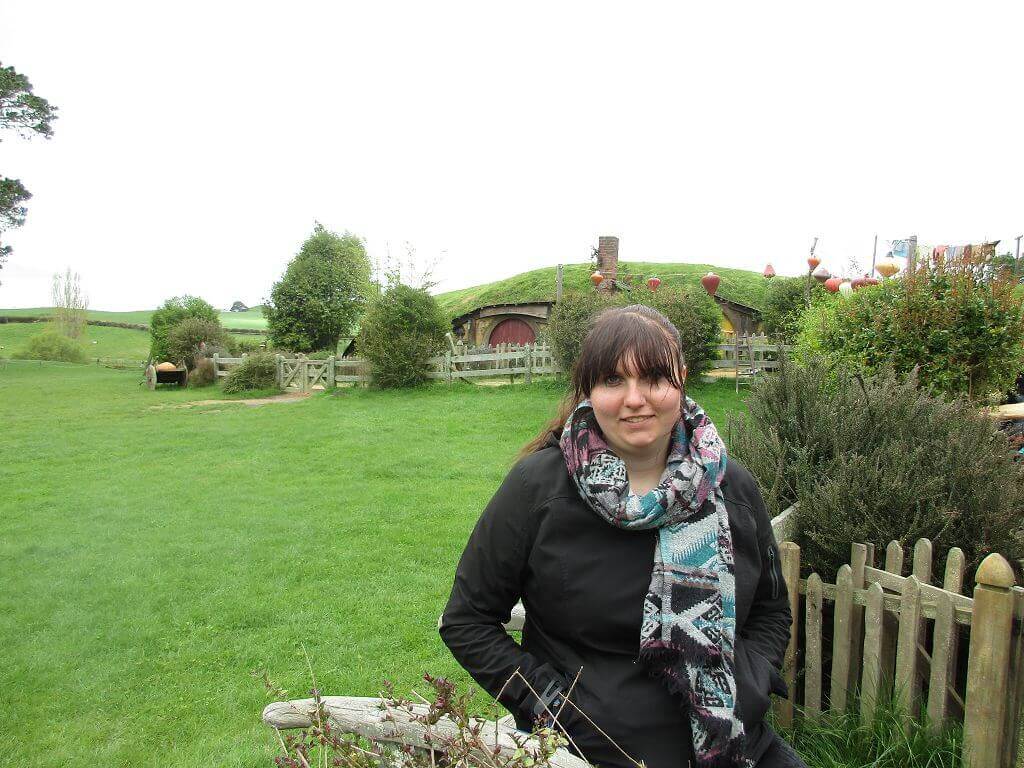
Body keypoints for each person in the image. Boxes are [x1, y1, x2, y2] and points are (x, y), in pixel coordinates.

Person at [440, 305, 802, 768]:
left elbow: (772, 611)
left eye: (653, 377)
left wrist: (749, 681)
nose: (635, 399)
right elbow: (467, 621)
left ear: (681, 379)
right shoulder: (539, 489)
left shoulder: (731, 487)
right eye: (613, 380)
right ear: (589, 389)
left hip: (734, 746)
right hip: (589, 754)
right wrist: (554, 708)